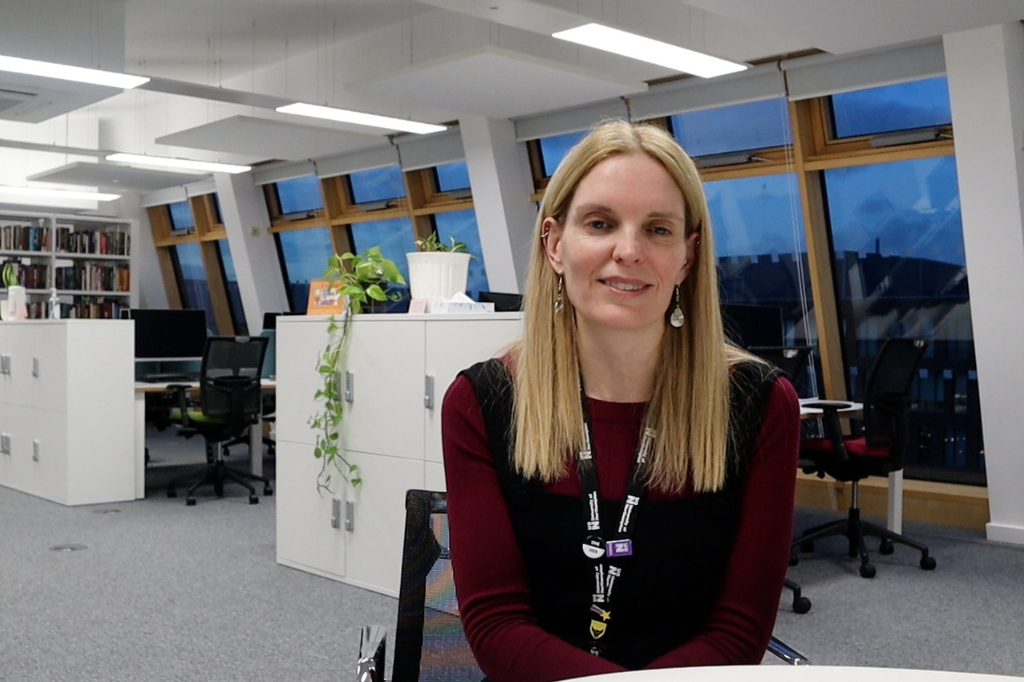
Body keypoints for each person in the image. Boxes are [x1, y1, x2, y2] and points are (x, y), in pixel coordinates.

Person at [442, 119, 800, 682]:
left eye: (658, 229)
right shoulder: (482, 402)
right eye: (601, 223)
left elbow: (738, 630)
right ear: (556, 245)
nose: (628, 251)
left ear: (687, 256)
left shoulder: (758, 406)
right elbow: (496, 625)